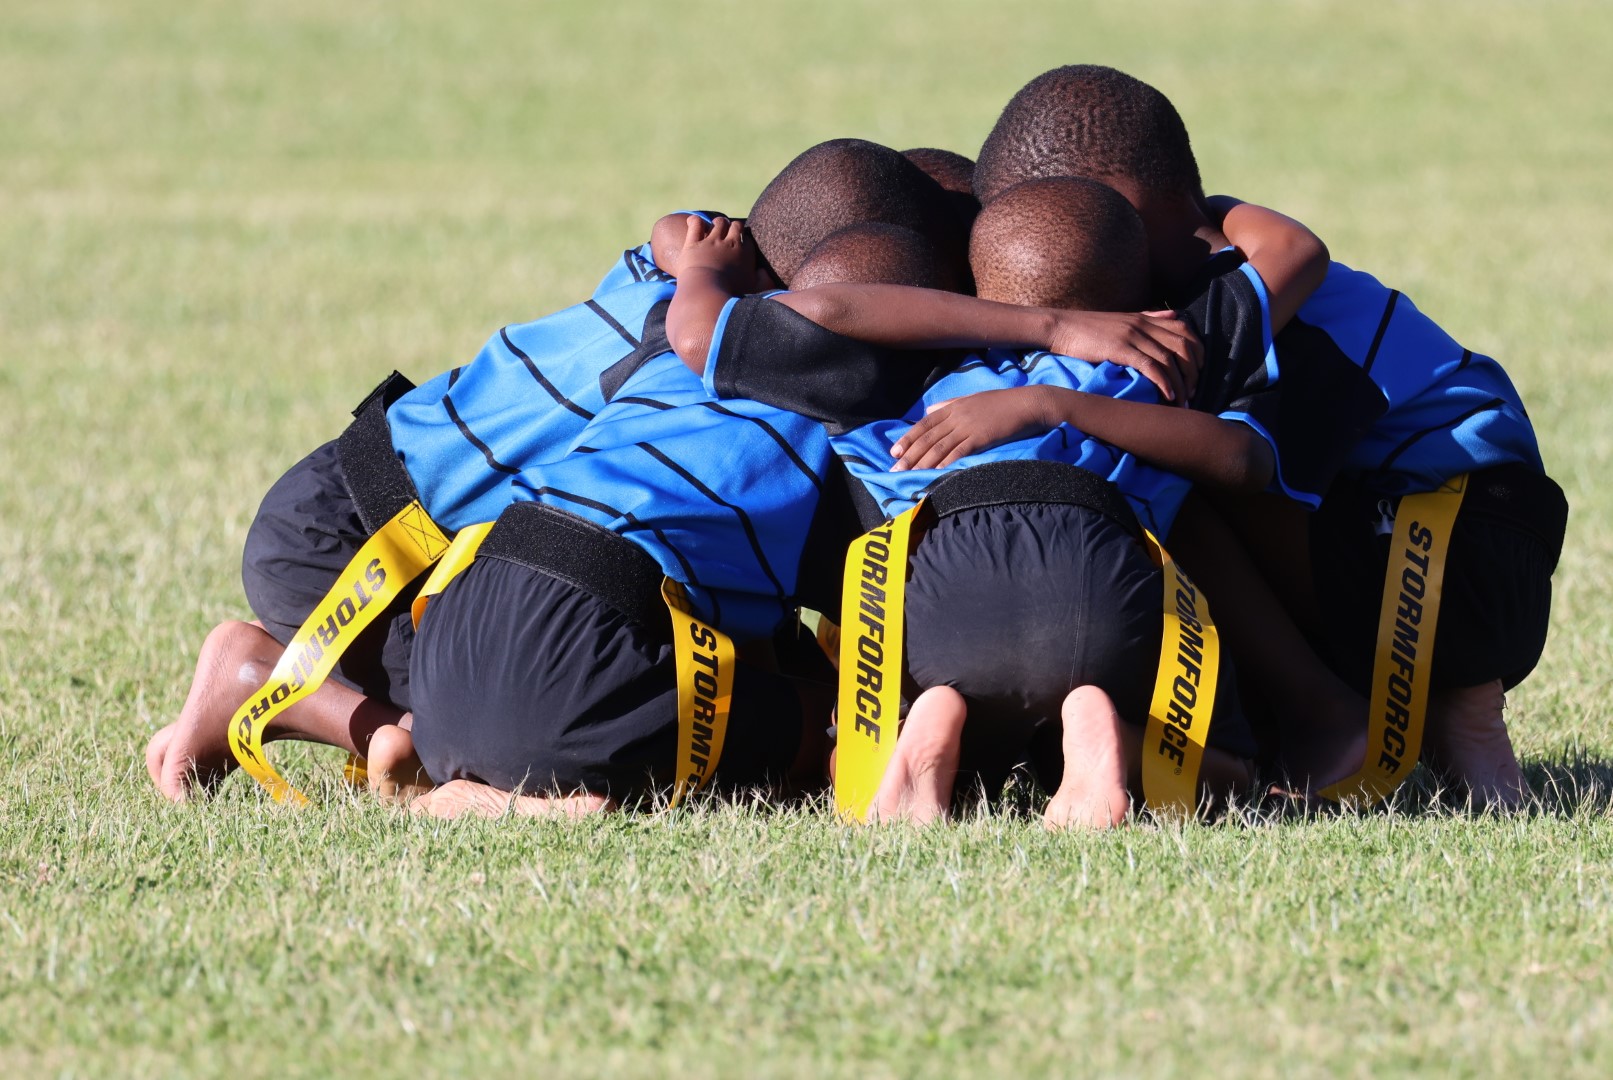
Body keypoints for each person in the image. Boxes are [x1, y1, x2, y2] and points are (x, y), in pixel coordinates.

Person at [973, 64, 1567, 807]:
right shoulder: (1243, 274)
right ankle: (1446, 709)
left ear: (1123, 211)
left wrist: (1049, 404)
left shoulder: (1206, 317)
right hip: (1486, 542)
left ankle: (1342, 715)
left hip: (1460, 564)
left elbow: (1240, 466)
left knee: (1163, 468)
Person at [668, 213, 1263, 828]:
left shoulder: (888, 379)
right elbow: (1245, 458)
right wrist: (1202, 212)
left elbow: (785, 317)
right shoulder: (1157, 350)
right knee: (1229, 770)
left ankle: (926, 723)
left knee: (853, 751)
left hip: (942, 594)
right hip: (1099, 575)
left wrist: (702, 267)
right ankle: (1107, 736)